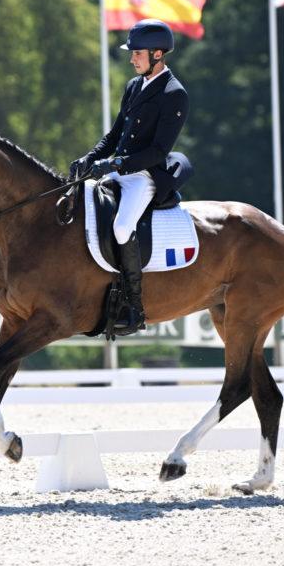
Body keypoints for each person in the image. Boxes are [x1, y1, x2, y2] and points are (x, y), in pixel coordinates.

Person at [69, 18, 190, 334]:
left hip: (145, 176)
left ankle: (134, 307)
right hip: (119, 170)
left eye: (137, 53)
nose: (132, 58)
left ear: (157, 54)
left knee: (122, 226)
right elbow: (114, 134)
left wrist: (114, 165)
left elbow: (159, 151)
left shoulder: (174, 94)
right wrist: (90, 157)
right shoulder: (134, 86)